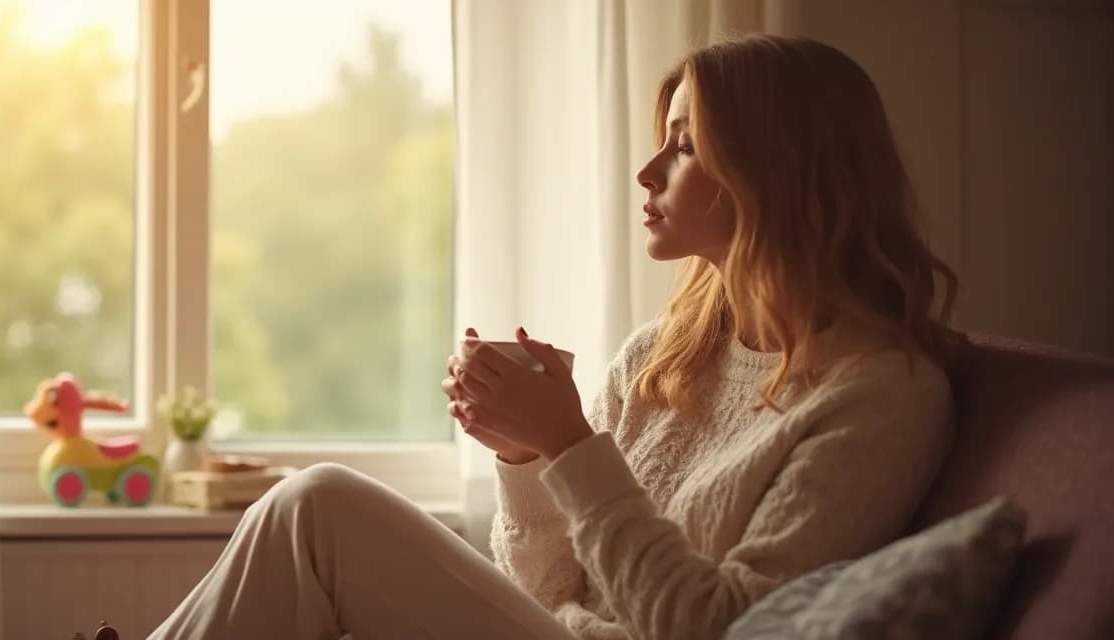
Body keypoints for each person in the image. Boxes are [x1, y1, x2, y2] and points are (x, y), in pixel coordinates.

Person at [150, 34, 962, 640]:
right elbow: (539, 587)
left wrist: (570, 444)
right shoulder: (662, 356)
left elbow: (718, 627)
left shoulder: (880, 394)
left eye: (685, 148)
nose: (649, 174)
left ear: (781, 173)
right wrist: (524, 453)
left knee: (319, 506)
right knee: (314, 512)